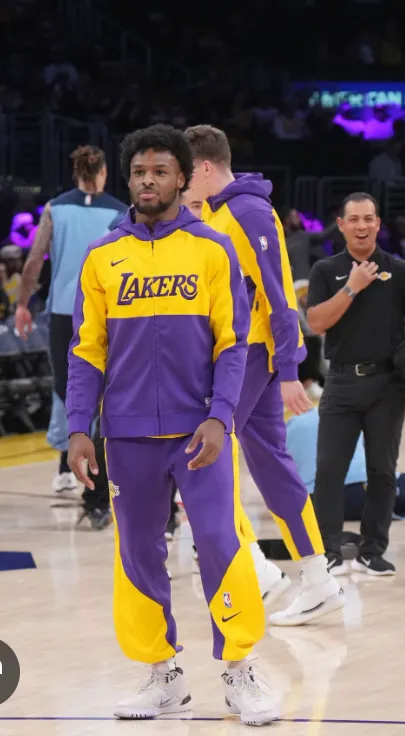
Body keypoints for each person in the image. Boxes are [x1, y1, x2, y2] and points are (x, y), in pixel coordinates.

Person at [65, 124, 278, 724]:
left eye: (160, 171)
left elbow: (233, 345)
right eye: (138, 172)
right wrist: (80, 426)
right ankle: (162, 675)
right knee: (136, 552)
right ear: (128, 179)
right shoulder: (103, 257)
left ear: (184, 178)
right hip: (126, 434)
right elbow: (86, 351)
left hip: (197, 433)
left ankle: (240, 669)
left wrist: (219, 417)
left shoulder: (213, 250)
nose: (148, 181)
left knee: (218, 542)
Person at [183, 124, 342, 626]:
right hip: (240, 354)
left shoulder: (247, 211)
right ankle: (313, 578)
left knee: (200, 452)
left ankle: (256, 567)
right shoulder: (216, 211)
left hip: (250, 355)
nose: (182, 182)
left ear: (206, 167)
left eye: (186, 172)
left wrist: (291, 367)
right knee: (270, 465)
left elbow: (277, 293)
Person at [305, 191, 405, 576]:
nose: (362, 226)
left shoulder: (401, 272)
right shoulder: (325, 271)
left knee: (383, 471)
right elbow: (316, 323)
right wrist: (352, 286)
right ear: (342, 225)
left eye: (369, 219)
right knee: (329, 470)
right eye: (355, 219)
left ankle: (373, 549)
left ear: (378, 224)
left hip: (388, 384)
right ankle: (329, 550)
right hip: (341, 383)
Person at [15, 145, 127, 526]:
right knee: (102, 397)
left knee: (68, 392)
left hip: (64, 313)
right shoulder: (118, 212)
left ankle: (68, 467)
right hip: (107, 314)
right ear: (104, 172)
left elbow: (33, 262)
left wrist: (22, 304)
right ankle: (96, 492)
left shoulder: (55, 209)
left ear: (76, 172)